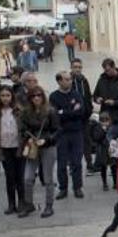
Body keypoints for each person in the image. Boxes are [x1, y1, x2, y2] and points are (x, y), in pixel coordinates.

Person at [19, 87, 59, 218]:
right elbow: (23, 128)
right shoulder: (26, 112)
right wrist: (28, 137)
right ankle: (29, 204)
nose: (36, 98)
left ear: (43, 96)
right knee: (27, 178)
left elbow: (57, 130)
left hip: (48, 146)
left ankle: (49, 206)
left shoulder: (50, 111)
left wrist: (46, 140)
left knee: (48, 179)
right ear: (29, 98)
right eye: (33, 96)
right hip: (33, 146)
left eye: (39, 95)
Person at [49, 71, 87, 199]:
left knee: (77, 162)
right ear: (59, 81)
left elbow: (81, 111)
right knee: (61, 163)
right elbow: (55, 115)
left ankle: (77, 187)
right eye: (66, 79)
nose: (69, 81)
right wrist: (71, 111)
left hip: (76, 132)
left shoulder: (76, 94)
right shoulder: (54, 96)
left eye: (70, 79)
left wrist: (64, 112)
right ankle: (63, 188)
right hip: (62, 133)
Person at [0, 86, 25, 214]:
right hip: (4, 148)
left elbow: (24, 128)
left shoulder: (18, 110)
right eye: (3, 95)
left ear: (12, 96)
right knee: (9, 177)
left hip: (17, 147)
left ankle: (22, 202)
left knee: (20, 177)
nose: (5, 98)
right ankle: (11, 203)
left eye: (8, 95)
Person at [94, 58, 118, 138]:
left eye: (108, 70)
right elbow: (95, 94)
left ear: (114, 67)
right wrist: (97, 99)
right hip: (104, 116)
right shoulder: (102, 80)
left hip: (117, 118)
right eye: (105, 70)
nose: (107, 72)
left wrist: (115, 102)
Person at [70, 58, 94, 172]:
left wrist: (89, 110)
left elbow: (88, 96)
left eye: (79, 67)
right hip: (73, 118)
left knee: (86, 140)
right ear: (71, 68)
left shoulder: (84, 80)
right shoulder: (68, 81)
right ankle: (73, 165)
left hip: (84, 117)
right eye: (75, 67)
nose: (78, 69)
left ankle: (89, 163)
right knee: (73, 143)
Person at [89, 112, 114, 191]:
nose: (105, 123)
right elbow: (96, 138)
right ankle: (105, 183)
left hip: (111, 148)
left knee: (114, 166)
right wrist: (103, 131)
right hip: (102, 148)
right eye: (103, 121)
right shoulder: (98, 127)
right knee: (104, 166)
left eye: (106, 121)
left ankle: (115, 182)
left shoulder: (112, 127)